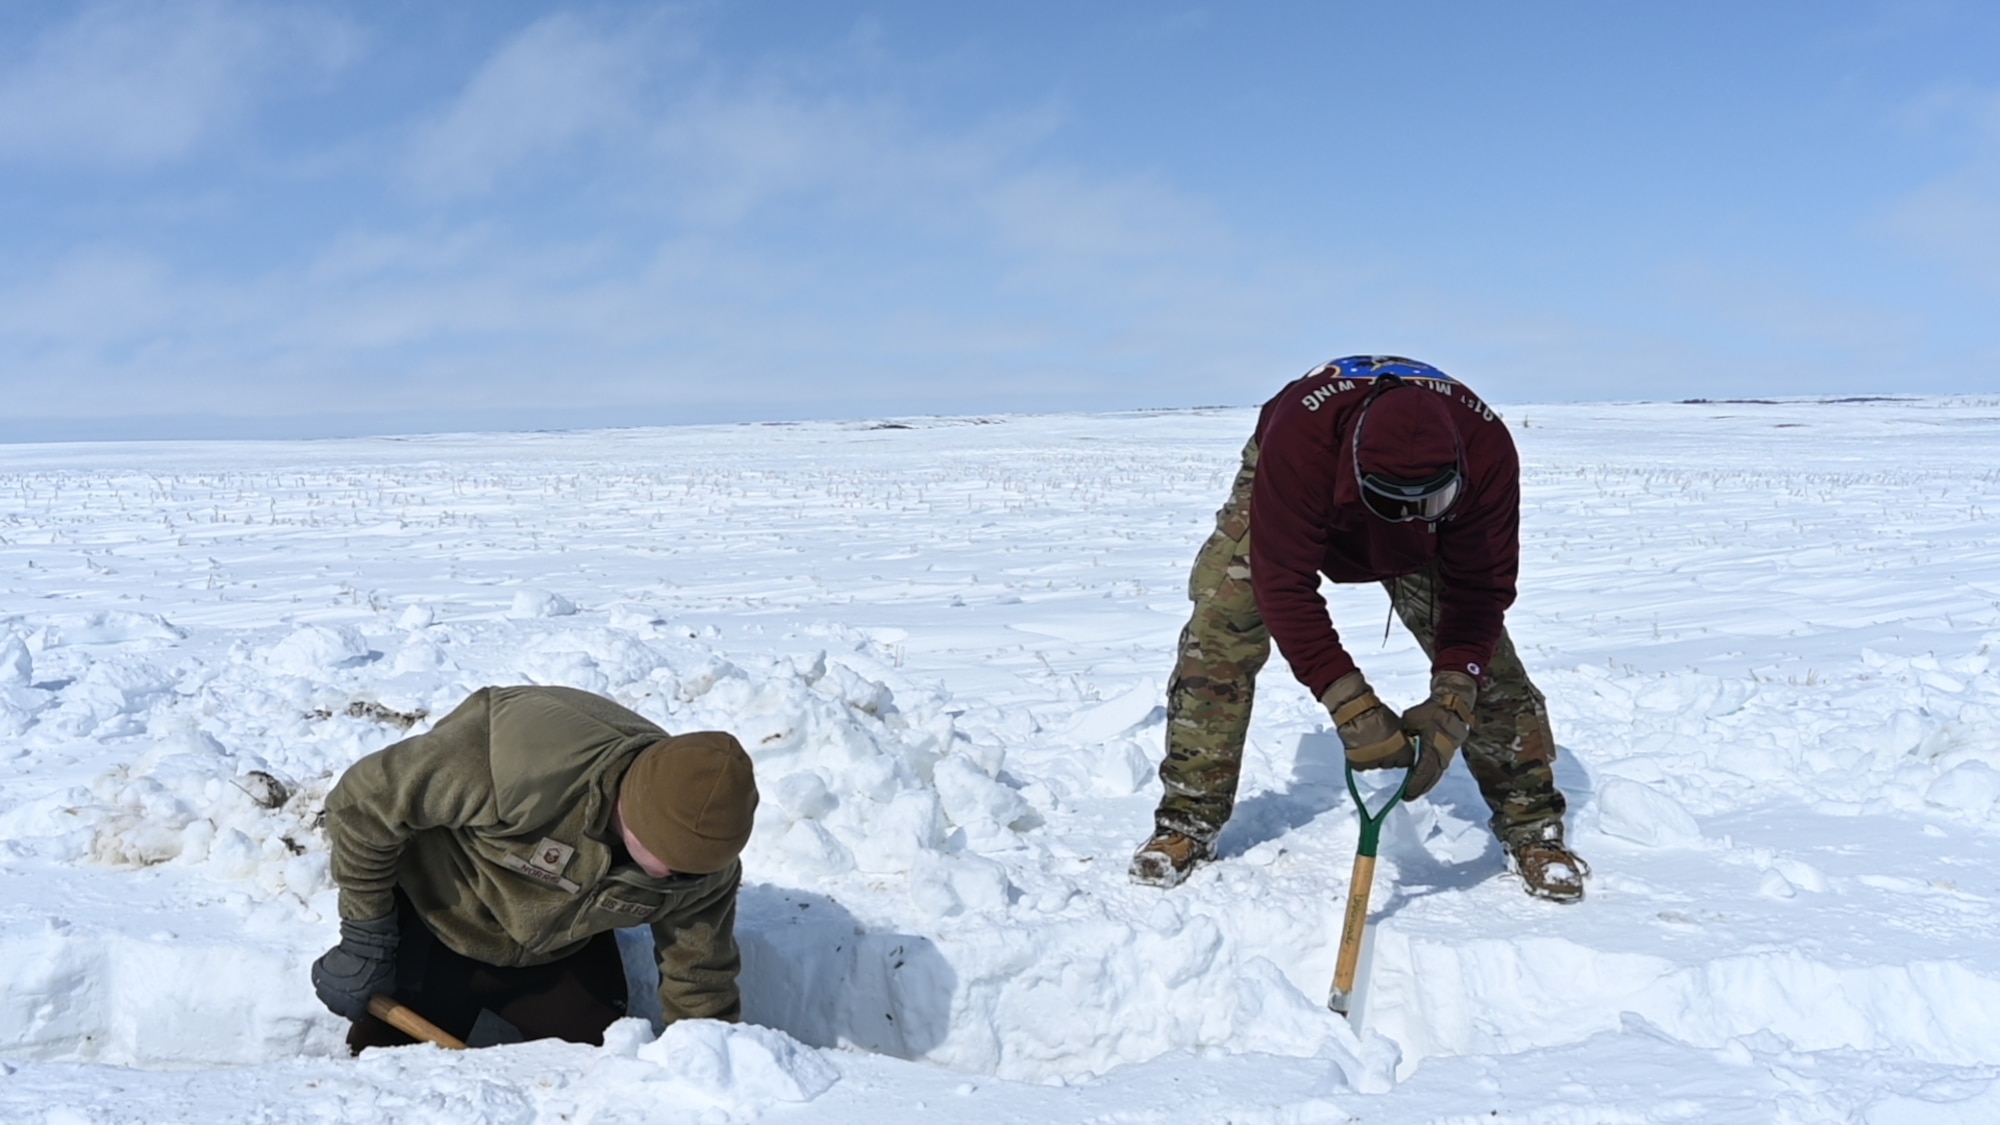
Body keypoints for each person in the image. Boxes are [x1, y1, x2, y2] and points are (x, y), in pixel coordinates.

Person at [1129, 356, 1587, 901]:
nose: (1409, 518)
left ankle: (1533, 826)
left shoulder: (1487, 452)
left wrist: (1456, 691)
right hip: (1298, 477)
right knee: (1219, 632)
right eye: (1392, 504)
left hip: (1432, 509)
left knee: (1491, 667)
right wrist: (1350, 705)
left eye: (1428, 503)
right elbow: (1284, 587)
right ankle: (1187, 822)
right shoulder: (1302, 447)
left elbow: (1481, 591)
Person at [311, 684, 759, 1052]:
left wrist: (709, 1061)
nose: (677, 879)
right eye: (671, 864)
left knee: (599, 1073)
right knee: (382, 1071)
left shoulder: (703, 859)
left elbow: (700, 976)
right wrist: (365, 938)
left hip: (559, 952)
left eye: (694, 871)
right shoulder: (512, 761)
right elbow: (361, 806)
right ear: (633, 811)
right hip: (440, 920)